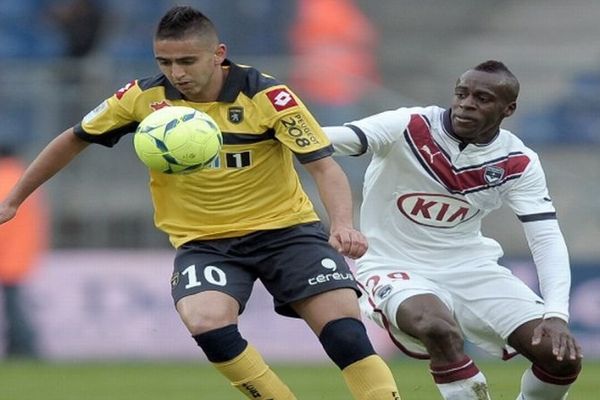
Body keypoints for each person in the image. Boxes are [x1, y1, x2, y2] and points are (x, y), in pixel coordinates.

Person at [0, 6, 401, 400]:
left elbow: (324, 168)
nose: (177, 73)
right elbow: (73, 138)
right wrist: (14, 199)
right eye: (166, 61)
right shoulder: (142, 98)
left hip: (286, 232)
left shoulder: (268, 96)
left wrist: (343, 224)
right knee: (205, 320)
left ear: (218, 54)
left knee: (344, 330)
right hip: (206, 244)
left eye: (187, 61)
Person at [324, 60, 583, 400]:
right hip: (394, 266)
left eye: (482, 98)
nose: (466, 104)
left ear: (509, 108)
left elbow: (546, 237)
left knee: (560, 357)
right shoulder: (409, 126)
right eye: (461, 94)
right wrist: (275, 130)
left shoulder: (517, 160)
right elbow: (331, 139)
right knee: (437, 328)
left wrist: (557, 314)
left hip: (470, 268)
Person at [0, 144, 48, 358]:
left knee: (15, 308)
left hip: (6, 253)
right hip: (22, 252)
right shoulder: (25, 177)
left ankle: (25, 349)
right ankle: (19, 349)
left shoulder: (3, 180)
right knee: (15, 305)